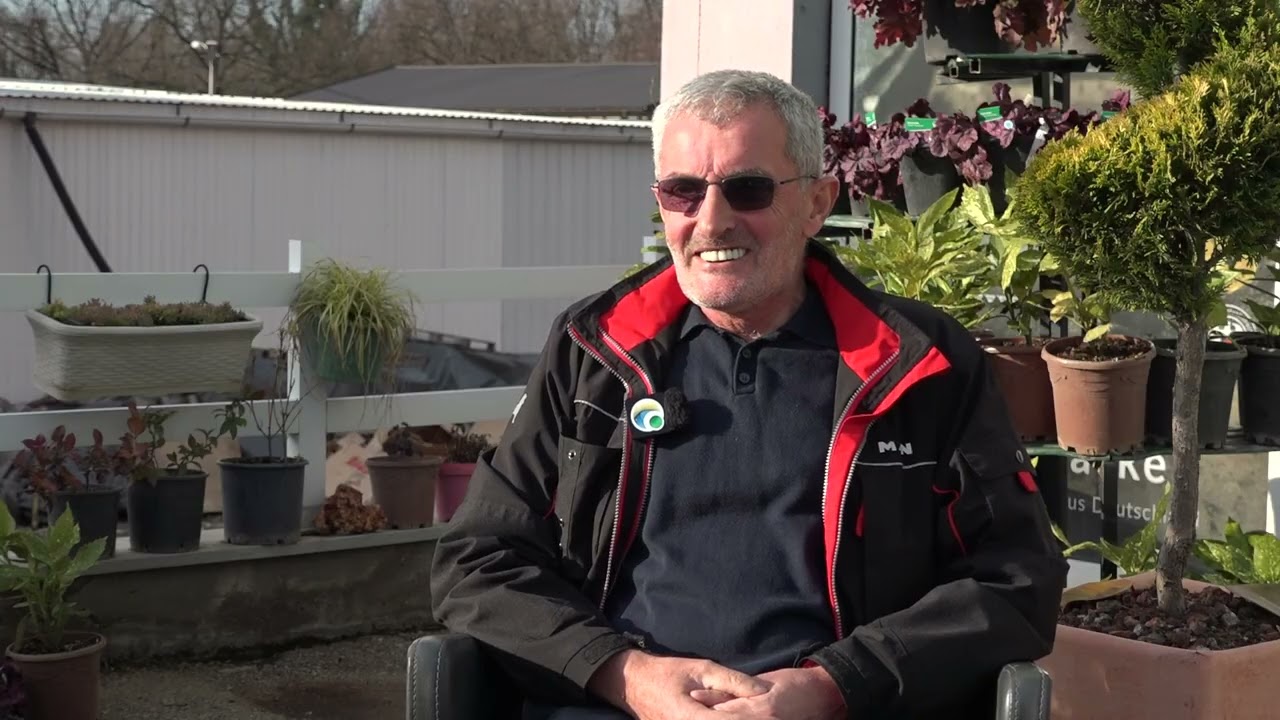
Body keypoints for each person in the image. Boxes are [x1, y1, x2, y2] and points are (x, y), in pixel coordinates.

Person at [429, 69, 1068, 720]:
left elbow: (1017, 579)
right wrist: (627, 676)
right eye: (683, 191)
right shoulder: (594, 350)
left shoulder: (919, 363)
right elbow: (478, 559)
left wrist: (836, 685)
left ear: (817, 203)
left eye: (748, 189)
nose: (712, 221)